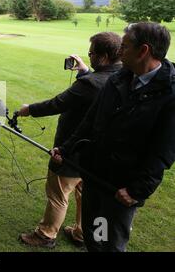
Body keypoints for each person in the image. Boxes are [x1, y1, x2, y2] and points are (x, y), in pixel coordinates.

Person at [51, 22, 175, 252]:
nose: (119, 52)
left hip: (121, 189)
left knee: (109, 244)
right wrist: (66, 149)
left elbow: (164, 150)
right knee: (93, 235)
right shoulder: (120, 77)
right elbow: (91, 120)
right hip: (94, 174)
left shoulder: (170, 93)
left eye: (124, 47)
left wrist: (137, 191)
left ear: (144, 51)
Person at [18, 32, 123, 248]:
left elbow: (57, 103)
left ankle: (46, 234)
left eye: (91, 53)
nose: (90, 56)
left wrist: (28, 110)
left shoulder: (91, 84)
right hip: (99, 155)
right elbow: (97, 84)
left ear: (103, 57)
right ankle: (82, 233)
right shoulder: (123, 77)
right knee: (85, 193)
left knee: (58, 193)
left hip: (72, 150)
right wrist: (85, 71)